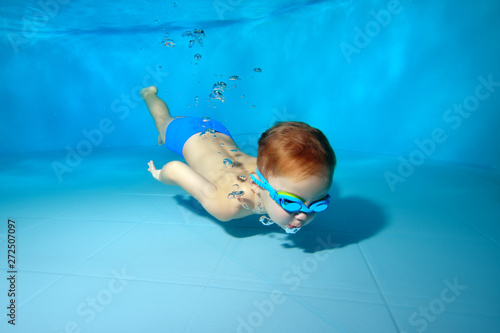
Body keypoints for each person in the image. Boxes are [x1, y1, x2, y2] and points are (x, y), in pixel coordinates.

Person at [141, 86, 336, 234]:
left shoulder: (273, 172)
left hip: (217, 130)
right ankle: (149, 95)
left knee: (168, 130)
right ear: (257, 185)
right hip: (185, 135)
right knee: (162, 121)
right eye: (290, 202)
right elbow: (176, 169)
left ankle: (167, 130)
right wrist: (160, 175)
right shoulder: (228, 205)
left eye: (319, 203)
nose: (303, 214)